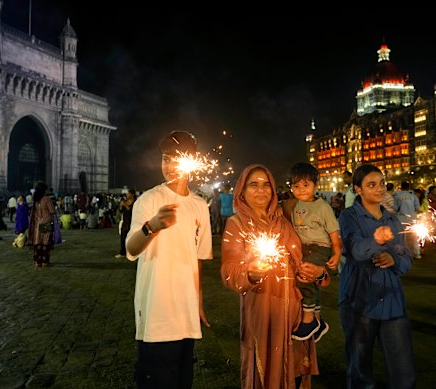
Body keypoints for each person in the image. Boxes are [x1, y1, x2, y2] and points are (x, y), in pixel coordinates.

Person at [221, 163, 328, 389]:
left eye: (266, 185)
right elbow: (229, 271)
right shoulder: (237, 224)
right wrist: (249, 274)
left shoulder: (285, 217)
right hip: (263, 308)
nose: (261, 190)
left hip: (296, 308)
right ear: (242, 191)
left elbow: (307, 254)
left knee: (296, 371)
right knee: (267, 371)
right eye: (254, 185)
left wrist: (318, 272)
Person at [125, 130, 212, 388]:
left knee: (182, 380)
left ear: (192, 161)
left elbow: (198, 259)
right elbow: (131, 248)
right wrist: (151, 226)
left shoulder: (199, 206)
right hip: (156, 312)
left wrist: (198, 302)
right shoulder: (149, 200)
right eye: (165, 158)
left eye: (177, 158)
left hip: (185, 313)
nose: (170, 164)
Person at [338, 164, 416, 388]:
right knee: (360, 366)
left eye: (381, 183)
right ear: (358, 189)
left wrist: (394, 260)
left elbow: (406, 258)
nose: (379, 189)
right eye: (371, 185)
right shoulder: (349, 216)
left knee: (403, 367)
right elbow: (356, 250)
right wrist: (377, 241)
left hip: (392, 299)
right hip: (359, 298)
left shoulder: (392, 220)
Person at [282, 162, 341, 343]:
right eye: (296, 186)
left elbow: (333, 232)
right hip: (303, 247)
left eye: (306, 185)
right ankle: (317, 319)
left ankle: (309, 320)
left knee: (305, 276)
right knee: (308, 278)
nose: (301, 190)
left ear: (316, 185)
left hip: (319, 247)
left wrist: (337, 253)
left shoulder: (323, 207)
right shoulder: (294, 204)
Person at [28, 182, 56, 268]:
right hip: (46, 222)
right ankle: (44, 262)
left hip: (37, 223)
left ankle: (37, 261)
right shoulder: (46, 199)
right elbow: (52, 211)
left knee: (38, 242)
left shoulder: (35, 200)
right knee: (45, 242)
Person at [395, 181, 421, 259]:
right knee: (415, 237)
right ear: (408, 188)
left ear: (401, 187)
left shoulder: (397, 197)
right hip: (412, 219)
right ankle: (417, 253)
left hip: (402, 219)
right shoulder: (413, 196)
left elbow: (395, 208)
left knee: (402, 237)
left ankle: (402, 253)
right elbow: (417, 208)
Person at [115, 189, 136, 258]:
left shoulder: (135, 202)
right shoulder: (126, 201)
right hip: (125, 221)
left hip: (132, 221)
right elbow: (121, 211)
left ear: (132, 194)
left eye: (128, 194)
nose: (127, 195)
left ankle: (132, 252)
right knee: (123, 237)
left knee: (131, 237)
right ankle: (123, 252)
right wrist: (121, 206)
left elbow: (132, 211)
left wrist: (126, 206)